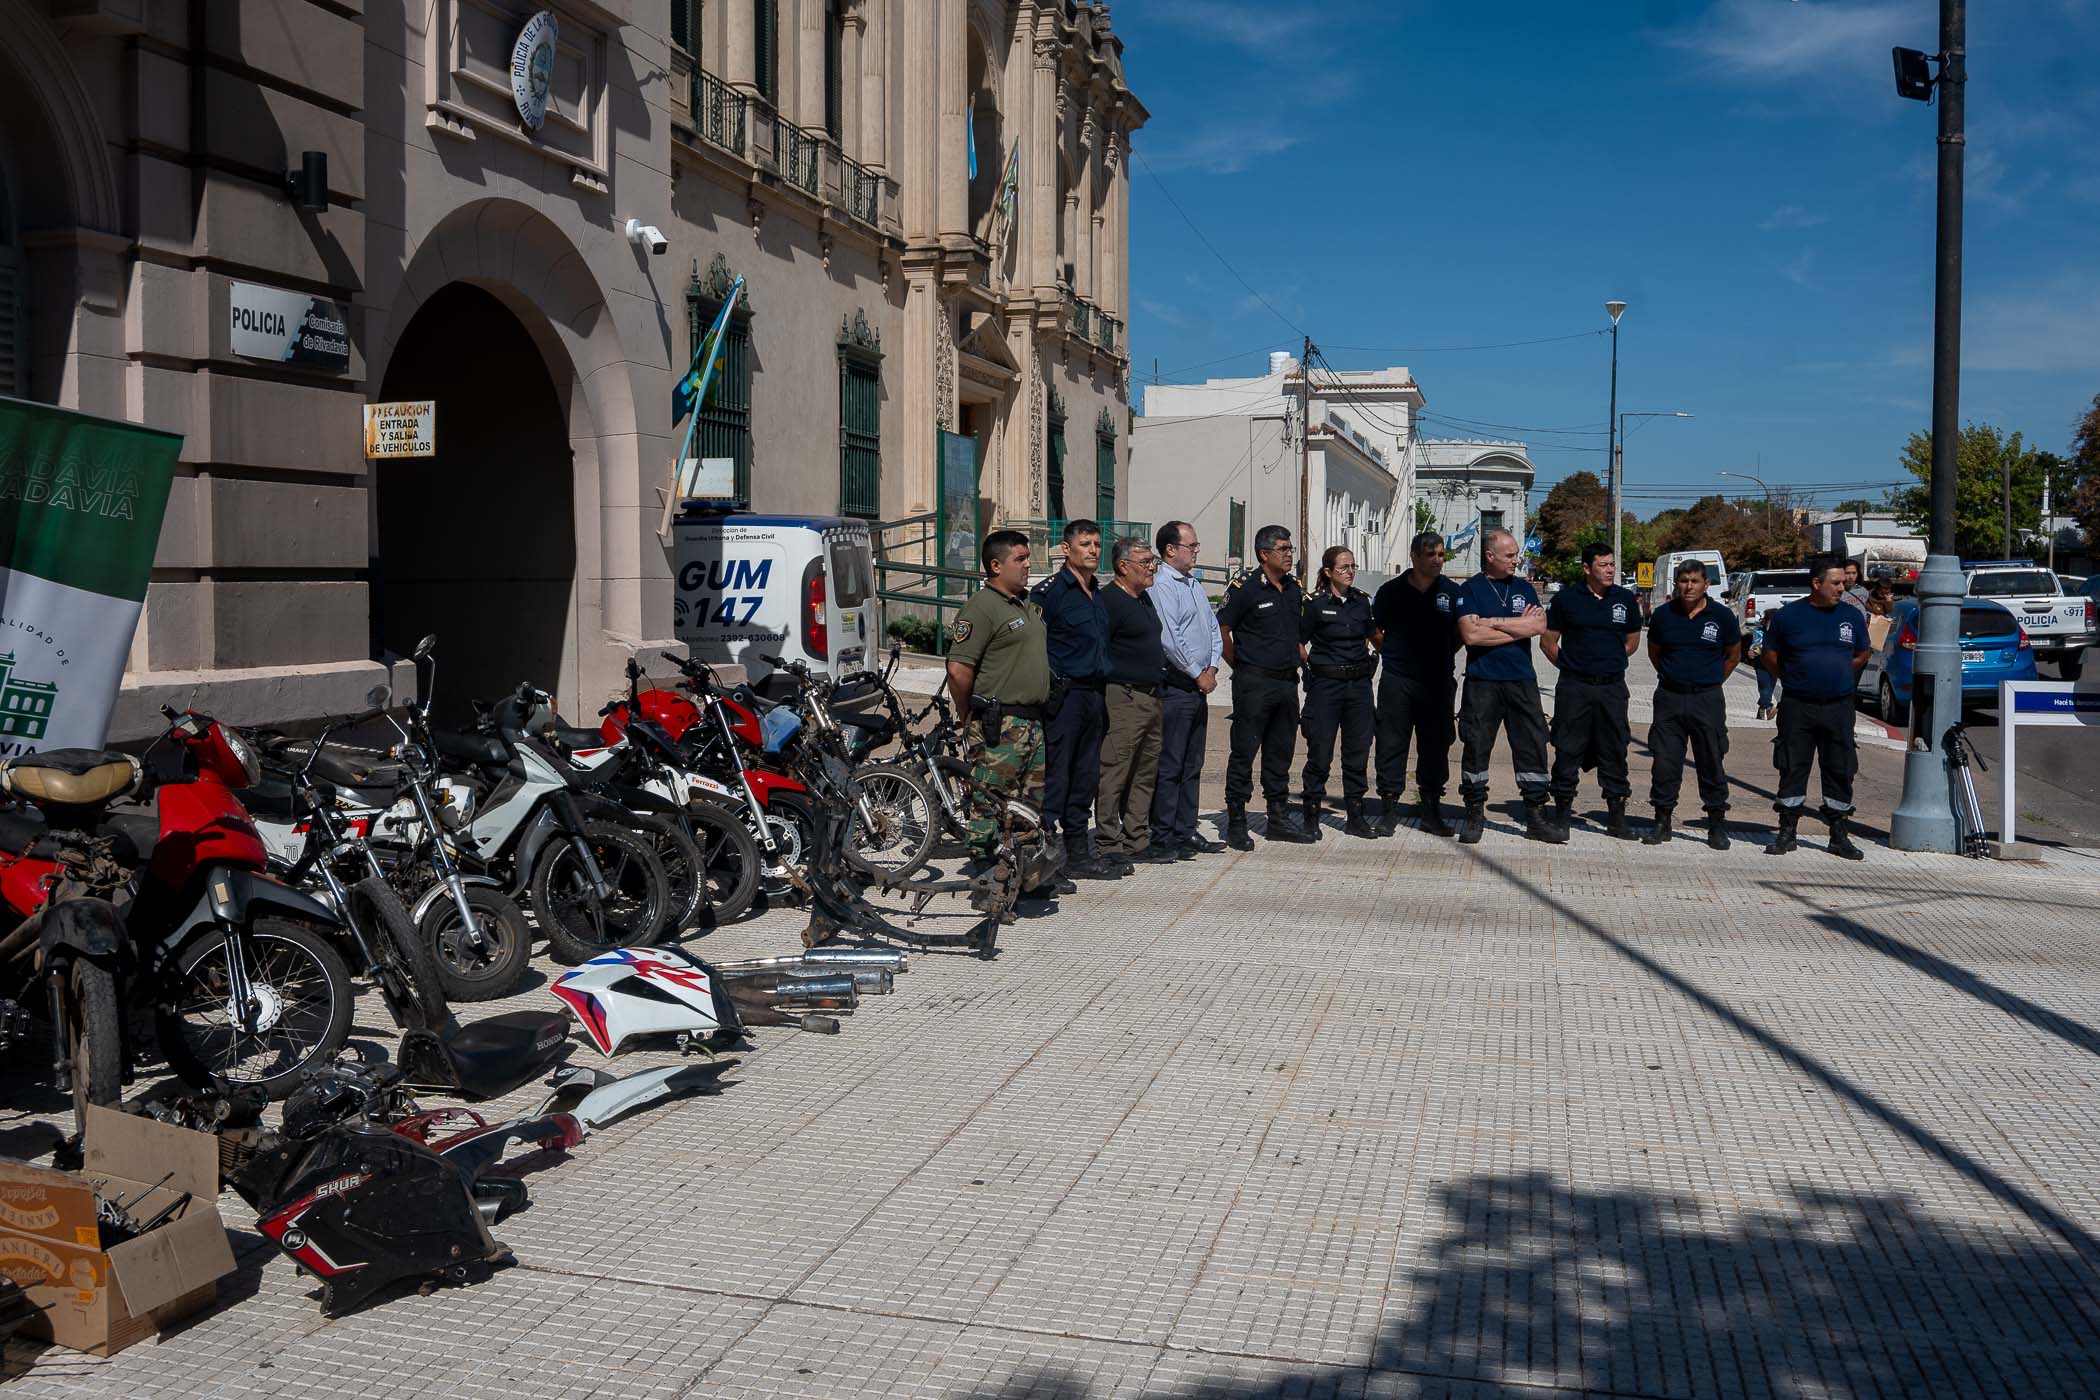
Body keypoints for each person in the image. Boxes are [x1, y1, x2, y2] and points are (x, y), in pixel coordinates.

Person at [945, 530, 1060, 913]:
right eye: (1021, 558)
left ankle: (1022, 878)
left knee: (1028, 805)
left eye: (1028, 558)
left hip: (1031, 722)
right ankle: (985, 882)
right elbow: (959, 669)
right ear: (996, 565)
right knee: (990, 804)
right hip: (1000, 723)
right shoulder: (982, 607)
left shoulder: (1026, 604)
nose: (1029, 564)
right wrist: (966, 715)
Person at [1453, 529, 1563, 844]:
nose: (1517, 560)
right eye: (1510, 555)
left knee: (1532, 746)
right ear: (1490, 556)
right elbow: (1471, 636)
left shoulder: (1524, 589)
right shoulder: (1471, 589)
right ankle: (1474, 814)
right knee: (1476, 747)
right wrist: (1518, 627)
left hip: (1521, 681)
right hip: (1483, 681)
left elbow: (1539, 626)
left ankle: (1536, 816)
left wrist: (1491, 621)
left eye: (1516, 554)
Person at [1760, 553, 1872, 860]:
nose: (1841, 587)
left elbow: (1863, 654)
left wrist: (1836, 673)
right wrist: (1793, 676)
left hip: (1838, 706)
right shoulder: (1789, 617)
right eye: (1835, 582)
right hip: (1798, 705)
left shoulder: (1850, 617)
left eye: (1843, 582)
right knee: (1792, 765)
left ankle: (1838, 835)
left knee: (1840, 767)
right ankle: (1787, 832)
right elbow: (1769, 655)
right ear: (1816, 583)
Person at [1217, 525, 1315, 848]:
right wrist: (1242, 665)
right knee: (1244, 751)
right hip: (1254, 683)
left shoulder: (1293, 588)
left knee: (1280, 753)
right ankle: (1237, 820)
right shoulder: (1245, 587)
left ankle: (1278, 817)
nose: (1290, 555)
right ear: (1264, 554)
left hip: (1287, 683)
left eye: (1291, 549)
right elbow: (1223, 630)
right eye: (1283, 549)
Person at [1540, 543, 1643, 839]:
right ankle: (1561, 815)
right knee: (1567, 749)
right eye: (1603, 565)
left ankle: (1616, 817)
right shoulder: (1566, 600)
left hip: (1611, 688)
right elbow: (1548, 643)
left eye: (1612, 565)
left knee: (1614, 750)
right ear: (1587, 568)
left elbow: (1632, 641)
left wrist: (1608, 662)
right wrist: (1574, 666)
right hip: (1575, 688)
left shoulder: (1624, 599)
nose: (1610, 570)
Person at [1031, 520, 1115, 878]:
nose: (1093, 550)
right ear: (1066, 549)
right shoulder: (1049, 594)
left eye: (1097, 543)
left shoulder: (1097, 591)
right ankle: (1051, 860)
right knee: (1058, 778)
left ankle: (1079, 852)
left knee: (1085, 776)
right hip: (1064, 697)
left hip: (1095, 695)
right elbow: (1034, 647)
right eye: (1085, 544)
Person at [1643, 560, 1742, 849]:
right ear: (1676, 583)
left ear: (1706, 584)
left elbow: (1733, 656)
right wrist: (1675, 676)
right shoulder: (1663, 615)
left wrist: (1709, 681)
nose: (1688, 586)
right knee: (1665, 762)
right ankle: (1661, 822)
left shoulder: (1722, 616)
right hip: (1670, 698)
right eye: (1683, 580)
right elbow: (1655, 653)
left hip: (1707, 699)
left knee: (1711, 760)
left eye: (1695, 581)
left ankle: (1716, 824)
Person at [1372, 531, 1464, 836]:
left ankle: (1431, 810)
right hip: (1398, 680)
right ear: (1414, 556)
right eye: (1430, 555)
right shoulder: (1391, 591)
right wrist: (1396, 654)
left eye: (1441, 554)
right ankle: (1388, 809)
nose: (1437, 560)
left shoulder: (1451, 592)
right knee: (1391, 743)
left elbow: (1460, 634)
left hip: (1437, 682)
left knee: (1435, 747)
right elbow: (1375, 630)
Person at [1150, 520, 1226, 856]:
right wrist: (1197, 673)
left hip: (1198, 685)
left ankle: (1185, 829)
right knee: (1170, 763)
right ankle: (1162, 833)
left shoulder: (1192, 583)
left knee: (1192, 763)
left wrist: (1211, 666)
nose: (1196, 551)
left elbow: (1211, 626)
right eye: (1191, 546)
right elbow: (1170, 638)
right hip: (1178, 685)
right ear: (1170, 550)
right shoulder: (1162, 585)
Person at [1094, 538, 1169, 866]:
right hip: (1124, 697)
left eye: (1154, 561)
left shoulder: (1144, 599)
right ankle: (1109, 841)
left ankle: (1136, 837)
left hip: (1151, 697)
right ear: (1123, 566)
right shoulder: (1109, 601)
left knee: (1144, 771)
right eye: (1146, 562)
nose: (1153, 567)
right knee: (1116, 770)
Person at [1298, 546, 1380, 838]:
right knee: (1320, 751)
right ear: (1328, 571)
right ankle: (1311, 814)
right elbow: (1299, 641)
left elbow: (1374, 636)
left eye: (1352, 566)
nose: (1350, 571)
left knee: (1357, 752)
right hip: (1326, 686)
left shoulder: (1361, 603)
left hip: (1358, 685)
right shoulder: (1316, 604)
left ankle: (1355, 816)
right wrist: (1311, 666)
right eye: (1344, 566)